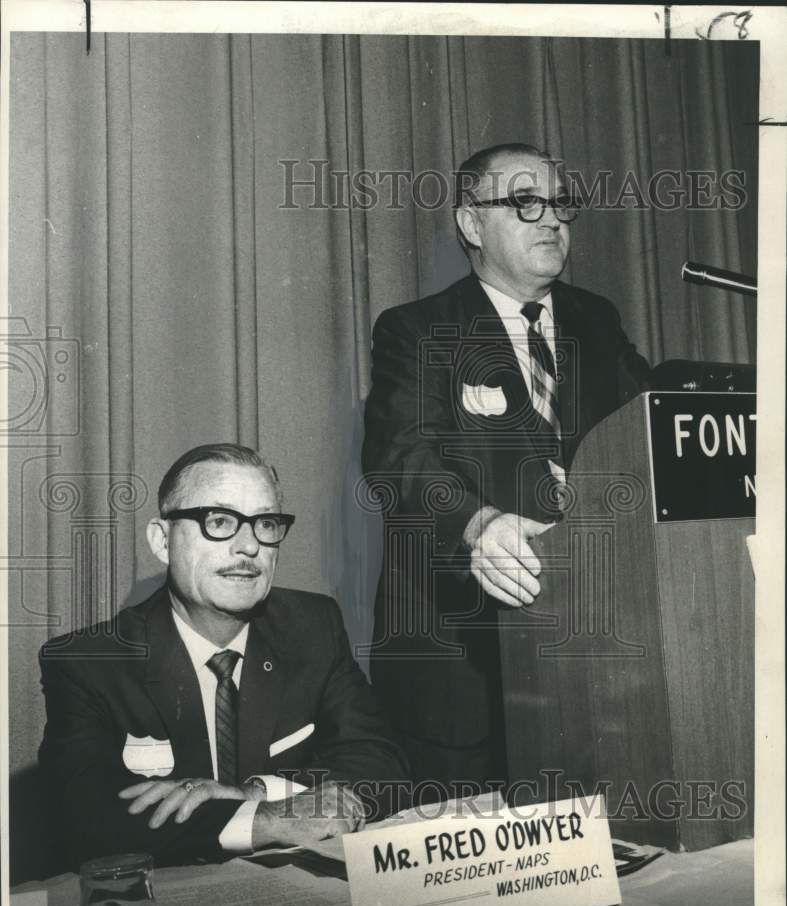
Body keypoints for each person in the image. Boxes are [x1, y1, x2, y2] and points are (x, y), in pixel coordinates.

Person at [362, 142, 650, 794]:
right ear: (470, 225)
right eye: (524, 202)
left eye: (559, 203)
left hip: (590, 658)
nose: (551, 220)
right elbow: (399, 459)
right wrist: (477, 523)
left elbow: (647, 430)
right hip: (465, 661)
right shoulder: (416, 329)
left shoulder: (595, 321)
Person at [39, 443, 409, 868]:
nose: (249, 546)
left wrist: (257, 793)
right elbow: (84, 817)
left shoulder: (313, 626)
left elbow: (383, 763)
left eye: (265, 524)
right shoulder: (88, 661)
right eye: (219, 521)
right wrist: (263, 820)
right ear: (162, 541)